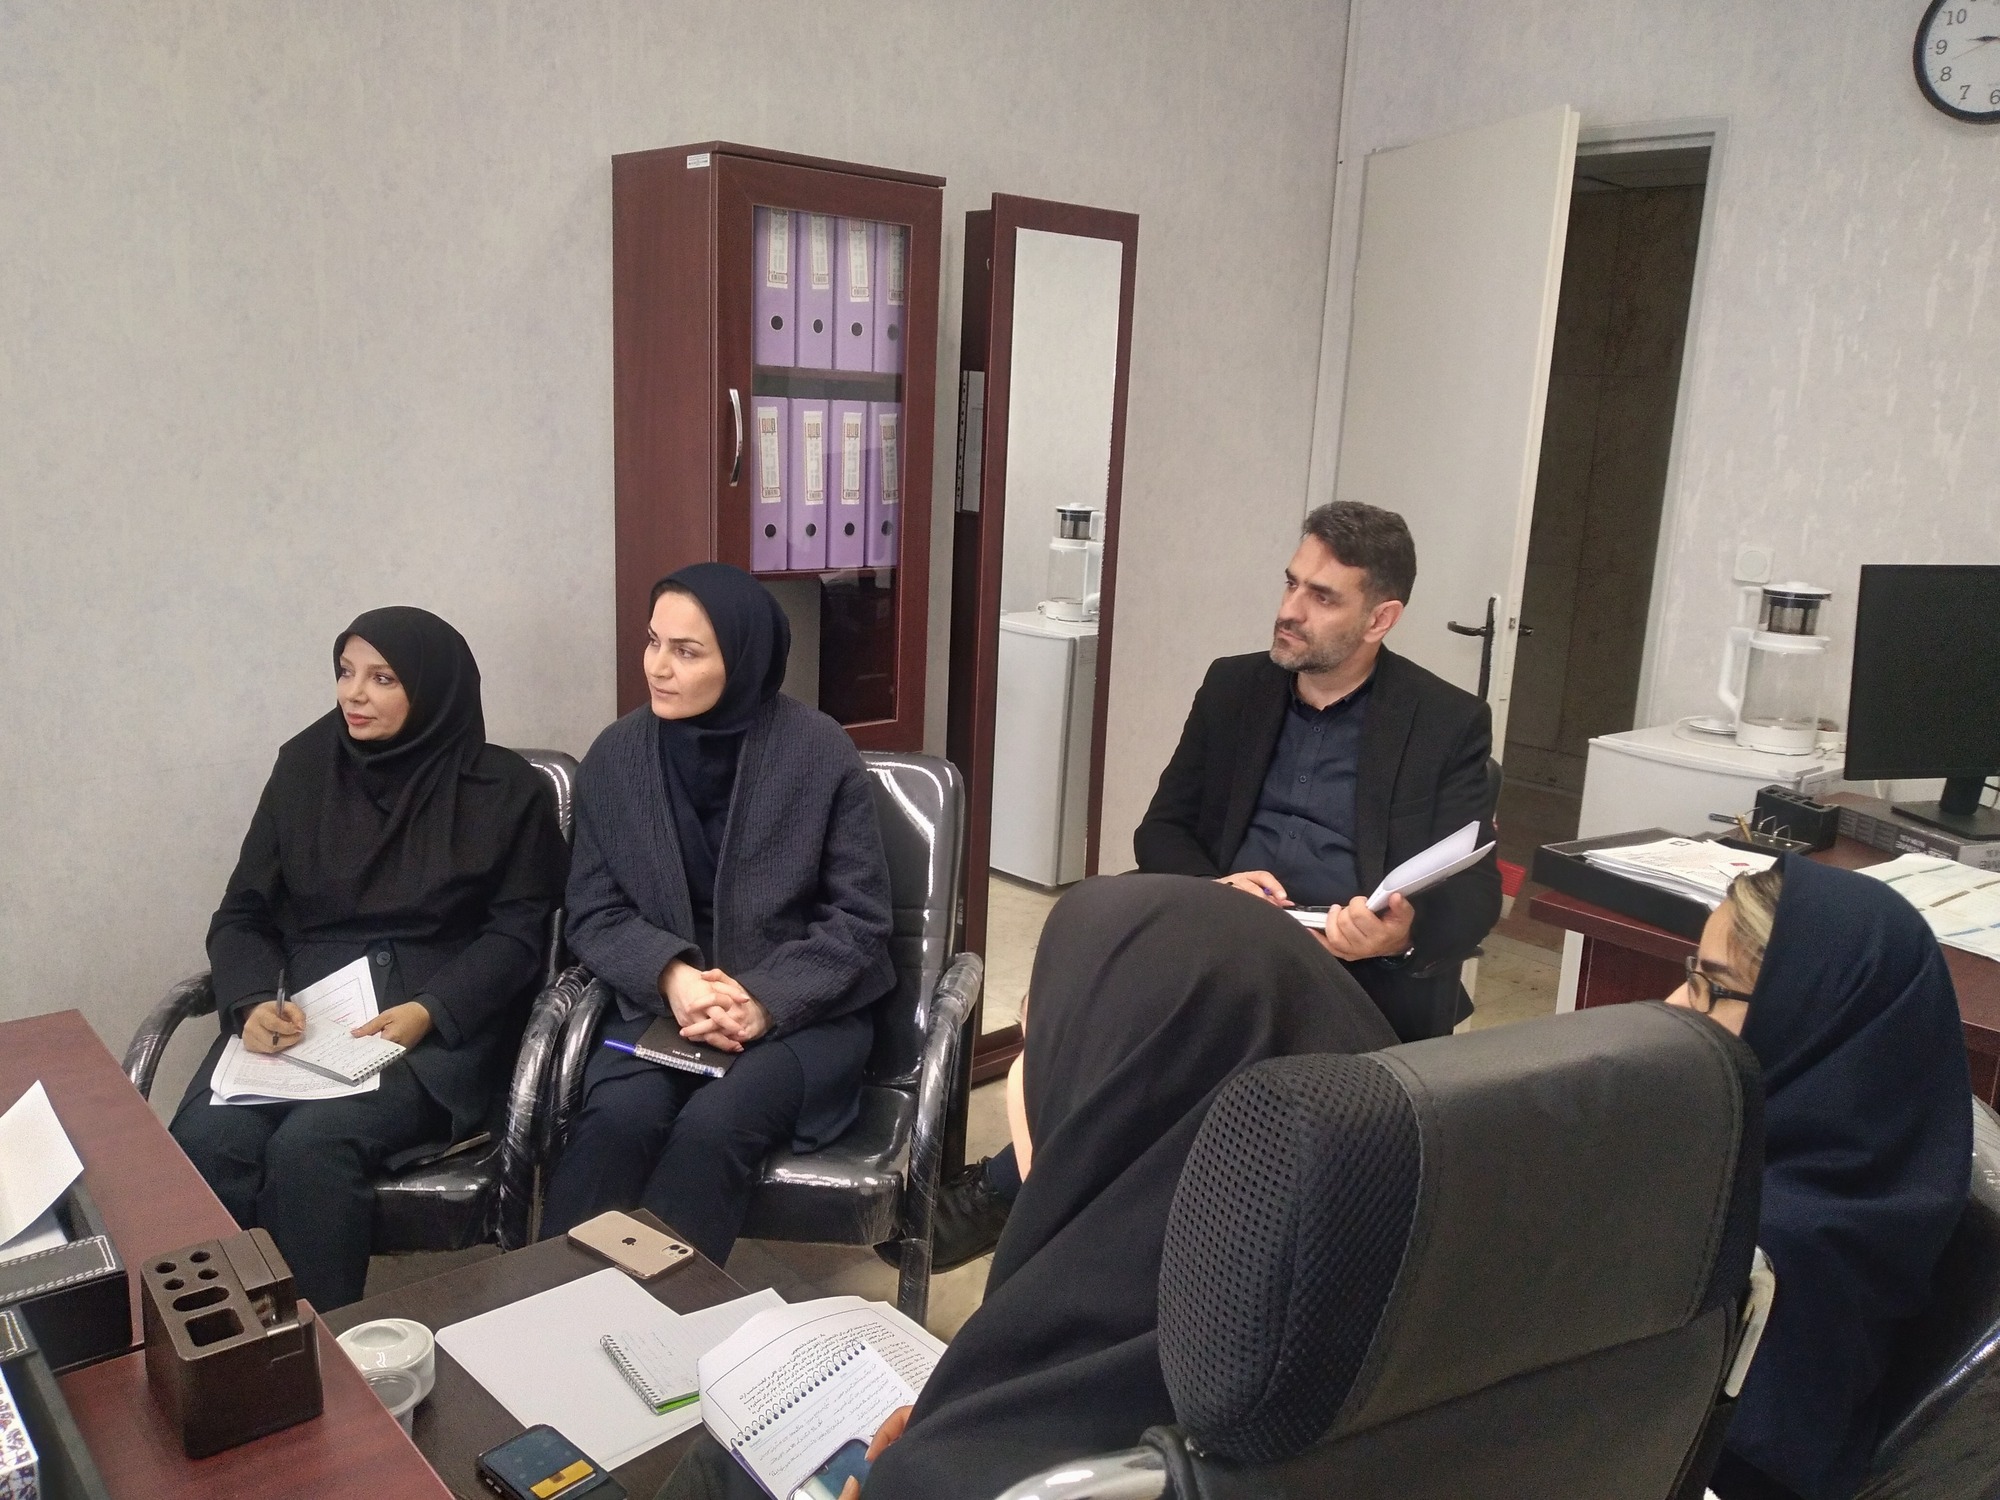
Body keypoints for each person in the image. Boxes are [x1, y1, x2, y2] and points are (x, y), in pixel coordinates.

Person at [653, 875, 1398, 1500]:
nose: (1028, 1071)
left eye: (1044, 1043)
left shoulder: (1006, 1455)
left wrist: (934, 1456)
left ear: (1114, 1094)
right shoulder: (1388, 1308)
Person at [930, 500, 1500, 1268]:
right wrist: (1217, 884)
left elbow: (1475, 896)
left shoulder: (1444, 721)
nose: (1290, 610)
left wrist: (1400, 933)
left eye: (1322, 597)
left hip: (1345, 971)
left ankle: (1018, 1193)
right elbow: (1161, 831)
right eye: (1291, 583)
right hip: (1223, 931)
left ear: (1380, 619)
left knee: (1163, 1033)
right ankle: (1076, 1220)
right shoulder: (1236, 688)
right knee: (1103, 937)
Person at [170, 608, 568, 1311]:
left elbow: (519, 935)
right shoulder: (304, 767)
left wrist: (431, 1011)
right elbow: (243, 913)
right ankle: (221, 1341)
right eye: (345, 672)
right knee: (205, 1139)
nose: (354, 693)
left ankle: (316, 1350)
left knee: (311, 1148)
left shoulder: (505, 790)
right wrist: (251, 1001)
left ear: (433, 689)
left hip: (433, 1023)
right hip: (306, 1013)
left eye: (382, 678)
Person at [539, 563, 895, 1268]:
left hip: (806, 1014)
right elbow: (593, 909)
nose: (657, 667)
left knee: (716, 1125)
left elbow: (860, 919)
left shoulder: (819, 751)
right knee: (617, 1120)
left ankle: (663, 1322)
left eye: (687, 651)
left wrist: (761, 1001)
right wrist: (672, 976)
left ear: (743, 659)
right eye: (653, 642)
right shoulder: (616, 756)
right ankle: (555, 1309)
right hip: (660, 1006)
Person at [1666, 857, 1970, 1500]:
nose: (1675, 1004)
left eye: (1712, 986)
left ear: (1807, 1018)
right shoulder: (1881, 1167)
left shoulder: (1781, 1252)